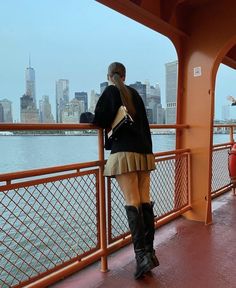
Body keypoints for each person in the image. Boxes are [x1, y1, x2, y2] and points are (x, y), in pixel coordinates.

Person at [93, 62, 159, 279]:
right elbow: (145, 126)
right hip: (144, 152)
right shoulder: (135, 95)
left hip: (125, 153)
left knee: (132, 203)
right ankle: (149, 253)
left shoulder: (112, 91)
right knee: (144, 202)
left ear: (109, 76)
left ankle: (142, 259)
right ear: (125, 75)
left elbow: (99, 120)